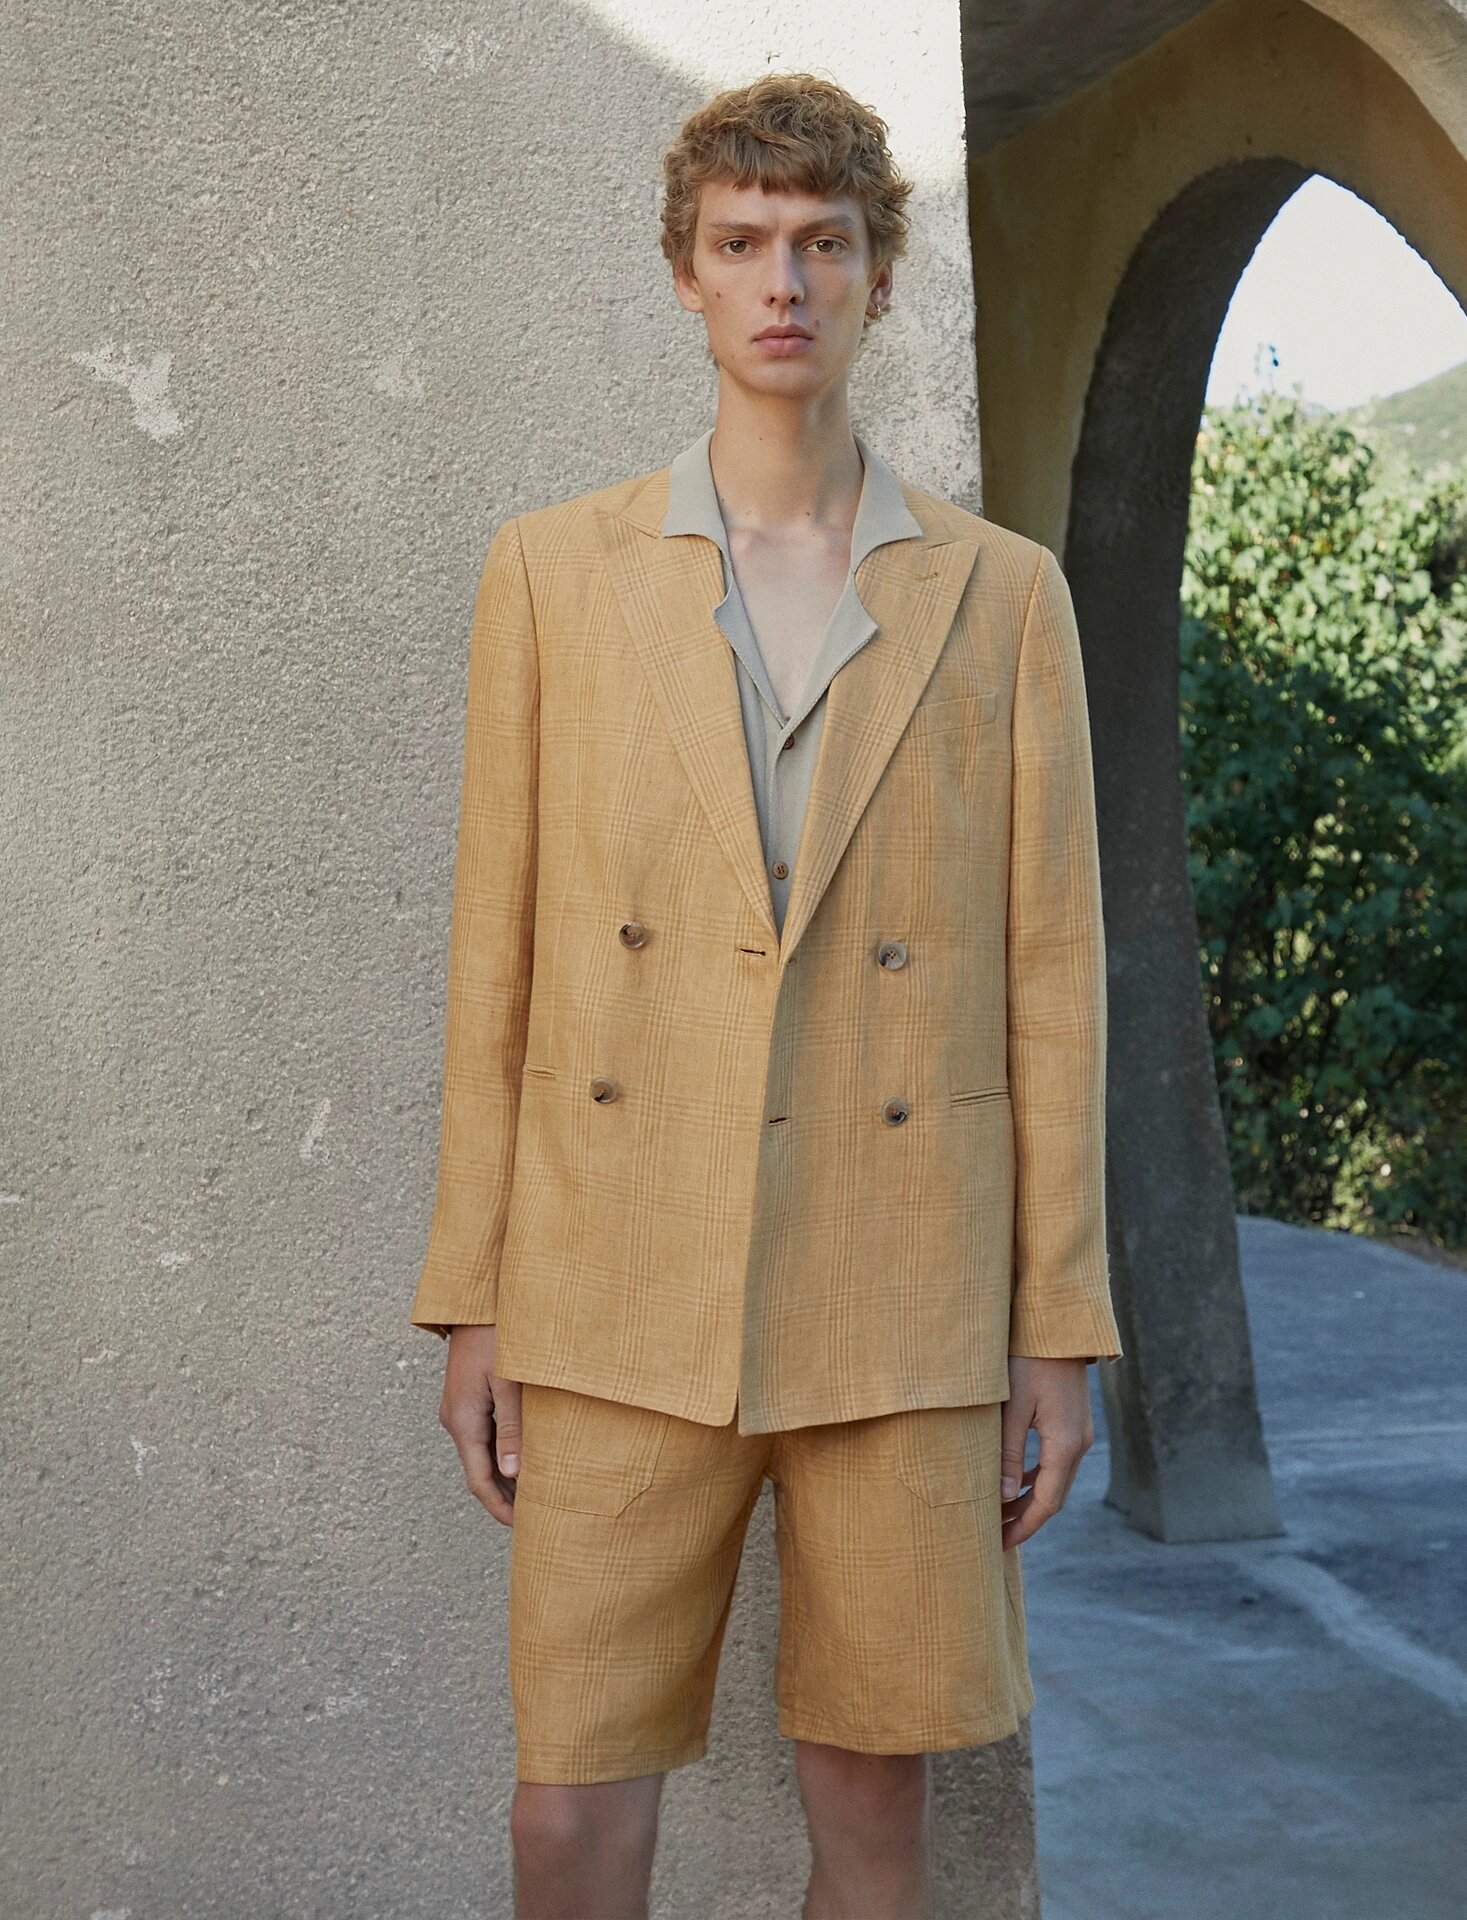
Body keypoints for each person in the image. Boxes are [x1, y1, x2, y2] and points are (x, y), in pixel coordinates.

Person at [411, 71, 1122, 1920]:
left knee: (874, 1809)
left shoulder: (1003, 596)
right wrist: (473, 1295)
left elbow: (1054, 982)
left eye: (822, 242)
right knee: (569, 1807)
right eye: (741, 244)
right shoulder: (554, 575)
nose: (783, 282)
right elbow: (497, 957)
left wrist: (1057, 1331)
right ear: (686, 274)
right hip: (610, 1269)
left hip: (905, 1281)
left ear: (881, 272)